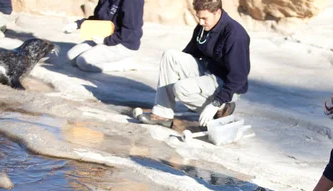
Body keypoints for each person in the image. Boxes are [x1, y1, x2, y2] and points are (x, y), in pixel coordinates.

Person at [138, 0, 250, 128]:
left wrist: (216, 103)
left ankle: (221, 110)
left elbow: (239, 77)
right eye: (198, 18)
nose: (201, 22)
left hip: (226, 83)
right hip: (208, 71)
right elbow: (190, 53)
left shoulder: (235, 35)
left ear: (217, 12)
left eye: (204, 18)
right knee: (170, 56)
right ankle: (162, 114)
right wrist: (175, 72)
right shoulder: (204, 27)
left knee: (180, 89)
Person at [65, 0, 144, 73]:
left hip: (123, 44)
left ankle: (124, 64)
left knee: (84, 62)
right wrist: (78, 24)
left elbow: (130, 30)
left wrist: (105, 40)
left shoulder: (132, 2)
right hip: (103, 36)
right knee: (71, 57)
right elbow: (98, 19)